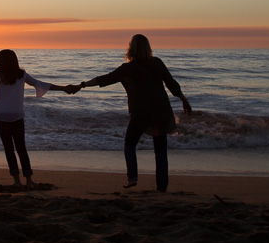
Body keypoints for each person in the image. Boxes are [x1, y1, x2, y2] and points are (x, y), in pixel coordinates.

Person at [70, 34, 192, 192]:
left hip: (141, 114)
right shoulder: (157, 63)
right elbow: (172, 84)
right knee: (160, 151)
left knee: (129, 144)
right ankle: (162, 188)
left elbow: (104, 80)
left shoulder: (127, 68)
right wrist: (184, 99)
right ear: (148, 48)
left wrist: (82, 85)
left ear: (131, 48)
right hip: (161, 112)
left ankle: (132, 177)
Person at [0, 49, 75, 189]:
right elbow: (40, 84)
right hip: (16, 114)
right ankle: (28, 180)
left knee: (8, 148)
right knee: (21, 147)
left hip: (1, 114)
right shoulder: (21, 74)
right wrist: (64, 88)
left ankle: (16, 181)